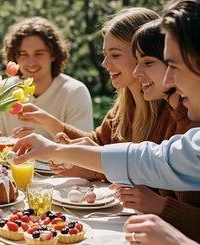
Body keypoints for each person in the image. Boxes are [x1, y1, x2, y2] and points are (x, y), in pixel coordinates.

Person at [12, 0, 200, 243]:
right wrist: (63, 146)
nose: (170, 78)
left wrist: (164, 210)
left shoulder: (180, 119)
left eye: (172, 65)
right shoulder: (134, 108)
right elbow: (140, 159)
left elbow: (145, 164)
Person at [14, 8, 160, 181]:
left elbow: (154, 180)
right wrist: (50, 123)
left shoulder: (172, 112)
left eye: (115, 55)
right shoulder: (124, 107)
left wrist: (90, 168)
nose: (105, 63)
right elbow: (98, 143)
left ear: (142, 54)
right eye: (105, 54)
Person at [113, 19, 200, 242]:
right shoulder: (176, 114)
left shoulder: (187, 122)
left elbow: (145, 162)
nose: (136, 72)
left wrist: (162, 207)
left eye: (148, 62)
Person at [0, 16, 93, 140]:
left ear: (53, 55)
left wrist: (40, 147)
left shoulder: (75, 92)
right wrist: (14, 141)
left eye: (39, 54)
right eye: (23, 54)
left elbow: (83, 149)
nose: (31, 62)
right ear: (15, 57)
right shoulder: (2, 90)